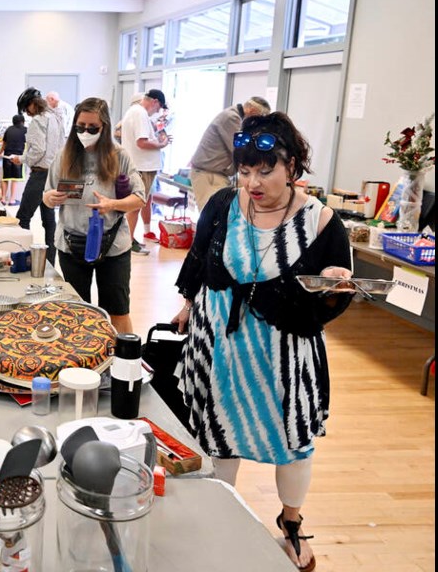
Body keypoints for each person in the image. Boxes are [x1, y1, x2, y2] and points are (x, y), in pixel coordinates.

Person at [172, 112, 354, 572]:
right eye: (245, 170)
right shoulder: (223, 205)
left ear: (292, 164)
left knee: (292, 443)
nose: (253, 182)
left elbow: (332, 298)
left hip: (284, 355)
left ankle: (291, 524)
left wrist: (334, 288)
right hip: (220, 346)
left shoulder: (322, 222)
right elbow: (200, 258)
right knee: (219, 437)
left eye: (265, 170)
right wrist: (187, 303)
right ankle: (218, 516)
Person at [42, 98, 146, 333]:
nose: (85, 132)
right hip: (71, 244)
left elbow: (139, 197)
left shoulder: (119, 156)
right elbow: (46, 195)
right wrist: (51, 198)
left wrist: (113, 204)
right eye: (80, 127)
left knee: (117, 311)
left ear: (105, 128)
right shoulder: (65, 155)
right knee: (77, 312)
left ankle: (122, 363)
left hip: (113, 245)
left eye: (92, 128)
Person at [190, 96, 272, 209]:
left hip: (216, 174)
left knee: (224, 213)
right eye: (260, 117)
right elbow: (241, 149)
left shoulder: (236, 117)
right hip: (207, 174)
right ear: (252, 111)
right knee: (212, 215)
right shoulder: (231, 118)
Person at [16, 87, 67, 265]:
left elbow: (38, 150)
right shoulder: (56, 117)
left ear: (31, 105)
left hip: (40, 175)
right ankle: (50, 263)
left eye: (26, 109)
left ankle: (22, 258)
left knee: (22, 218)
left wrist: (21, 159)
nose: (27, 113)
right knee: (49, 220)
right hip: (55, 175)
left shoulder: (38, 120)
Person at [120, 89, 170, 253]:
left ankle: (129, 239)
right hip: (142, 167)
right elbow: (142, 142)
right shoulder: (139, 113)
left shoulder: (135, 113)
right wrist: (161, 145)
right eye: (159, 108)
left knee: (135, 205)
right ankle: (128, 241)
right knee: (135, 205)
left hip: (140, 166)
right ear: (155, 102)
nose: (157, 112)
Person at [0, 114, 26, 204]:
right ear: (23, 121)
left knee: (5, 177)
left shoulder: (9, 129)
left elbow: (4, 144)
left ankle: (3, 198)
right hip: (18, 157)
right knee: (15, 179)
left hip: (7, 156)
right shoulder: (26, 130)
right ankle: (12, 199)